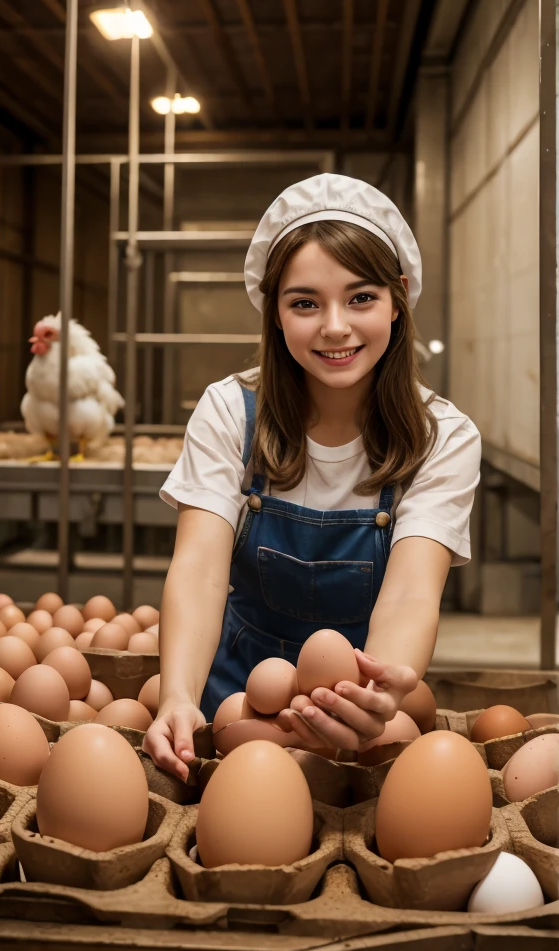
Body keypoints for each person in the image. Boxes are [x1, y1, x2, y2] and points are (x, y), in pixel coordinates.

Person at [142, 174, 481, 780]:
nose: (334, 327)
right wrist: (178, 696)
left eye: (361, 298)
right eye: (305, 302)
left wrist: (376, 696)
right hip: (235, 697)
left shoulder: (441, 436)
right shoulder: (229, 412)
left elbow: (410, 592)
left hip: (358, 707)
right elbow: (197, 569)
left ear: (398, 298)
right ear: (274, 311)